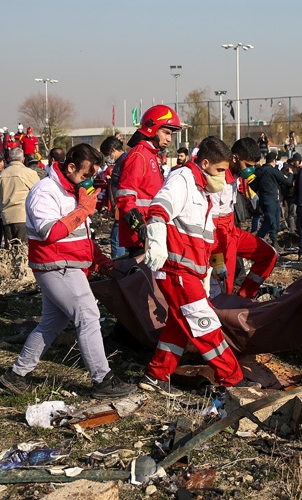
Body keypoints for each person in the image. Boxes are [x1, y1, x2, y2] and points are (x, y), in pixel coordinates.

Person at [1, 144, 135, 398]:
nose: (88, 182)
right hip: (57, 266)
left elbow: (80, 237)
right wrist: (83, 210)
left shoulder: (73, 191)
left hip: (66, 265)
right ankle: (102, 380)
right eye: (85, 176)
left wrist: (101, 261)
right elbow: (50, 233)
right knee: (88, 316)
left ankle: (16, 375)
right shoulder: (45, 191)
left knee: (52, 323)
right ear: (71, 167)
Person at [140, 136, 251, 396]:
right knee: (206, 327)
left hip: (189, 271)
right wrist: (156, 241)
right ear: (204, 163)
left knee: (180, 325)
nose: (224, 178)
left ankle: (156, 375)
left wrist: (216, 266)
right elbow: (158, 209)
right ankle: (232, 379)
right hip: (176, 271)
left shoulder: (203, 192)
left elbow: (207, 238)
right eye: (220, 170)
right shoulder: (182, 181)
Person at [209, 138, 278, 298]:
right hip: (219, 238)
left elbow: (240, 184)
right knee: (224, 284)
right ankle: (225, 313)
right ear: (235, 158)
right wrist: (217, 254)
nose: (250, 170)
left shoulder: (235, 175)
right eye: (247, 165)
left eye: (253, 166)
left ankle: (245, 297)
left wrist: (252, 195)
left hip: (232, 232)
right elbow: (210, 221)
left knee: (269, 255)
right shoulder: (217, 178)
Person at [117, 105, 182, 257]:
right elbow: (125, 196)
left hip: (152, 232)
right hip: (142, 236)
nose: (169, 139)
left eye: (171, 134)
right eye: (166, 132)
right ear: (152, 128)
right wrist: (139, 226)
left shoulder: (150, 155)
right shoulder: (139, 155)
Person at [0, 147, 38, 246]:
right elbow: (38, 192)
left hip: (7, 217)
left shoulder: (2, 175)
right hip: (23, 216)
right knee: (22, 251)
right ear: (23, 159)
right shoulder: (29, 173)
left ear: (9, 158)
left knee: (10, 252)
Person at [254, 152, 292, 245]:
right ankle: (260, 240)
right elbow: (286, 181)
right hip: (271, 199)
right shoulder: (273, 171)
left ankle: (268, 240)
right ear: (274, 160)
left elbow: (253, 184)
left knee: (270, 220)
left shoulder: (259, 171)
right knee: (271, 220)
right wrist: (291, 174)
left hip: (262, 198)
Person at [99, 136, 128, 259]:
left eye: (107, 154)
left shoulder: (124, 162)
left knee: (116, 239)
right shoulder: (122, 162)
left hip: (123, 207)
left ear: (113, 150)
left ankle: (120, 268)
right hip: (121, 207)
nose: (107, 157)